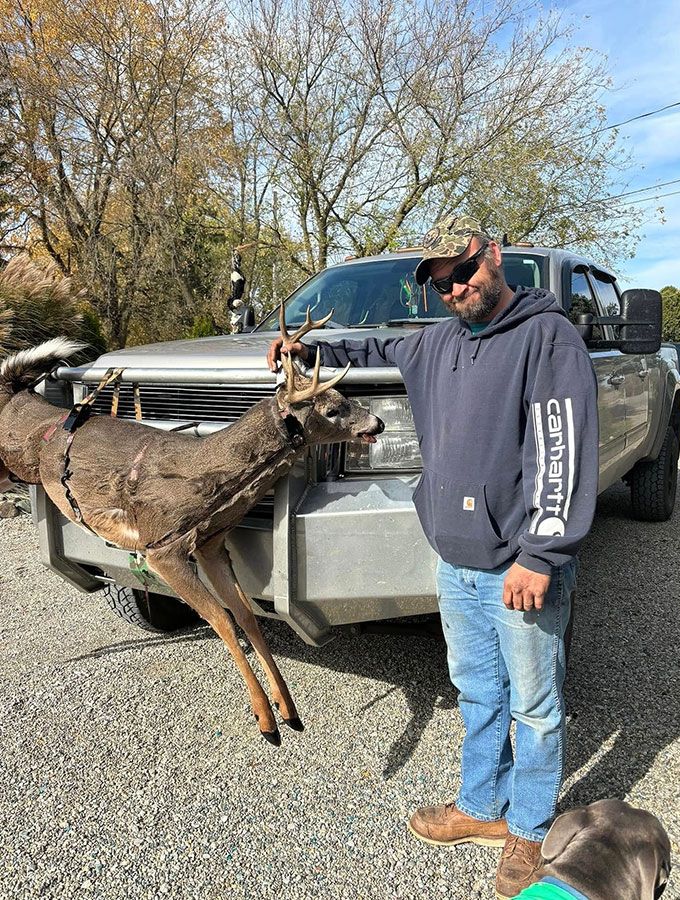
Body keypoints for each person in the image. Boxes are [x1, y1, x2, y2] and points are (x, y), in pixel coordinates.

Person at [267, 215, 599, 899]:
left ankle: (530, 831)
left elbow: (563, 456)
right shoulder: (435, 344)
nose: (454, 288)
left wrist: (541, 554)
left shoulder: (547, 338)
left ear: (494, 256)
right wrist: (302, 352)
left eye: (464, 271)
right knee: (478, 693)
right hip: (456, 562)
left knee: (534, 708)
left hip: (518, 563)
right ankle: (481, 810)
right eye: (441, 282)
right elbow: (371, 343)